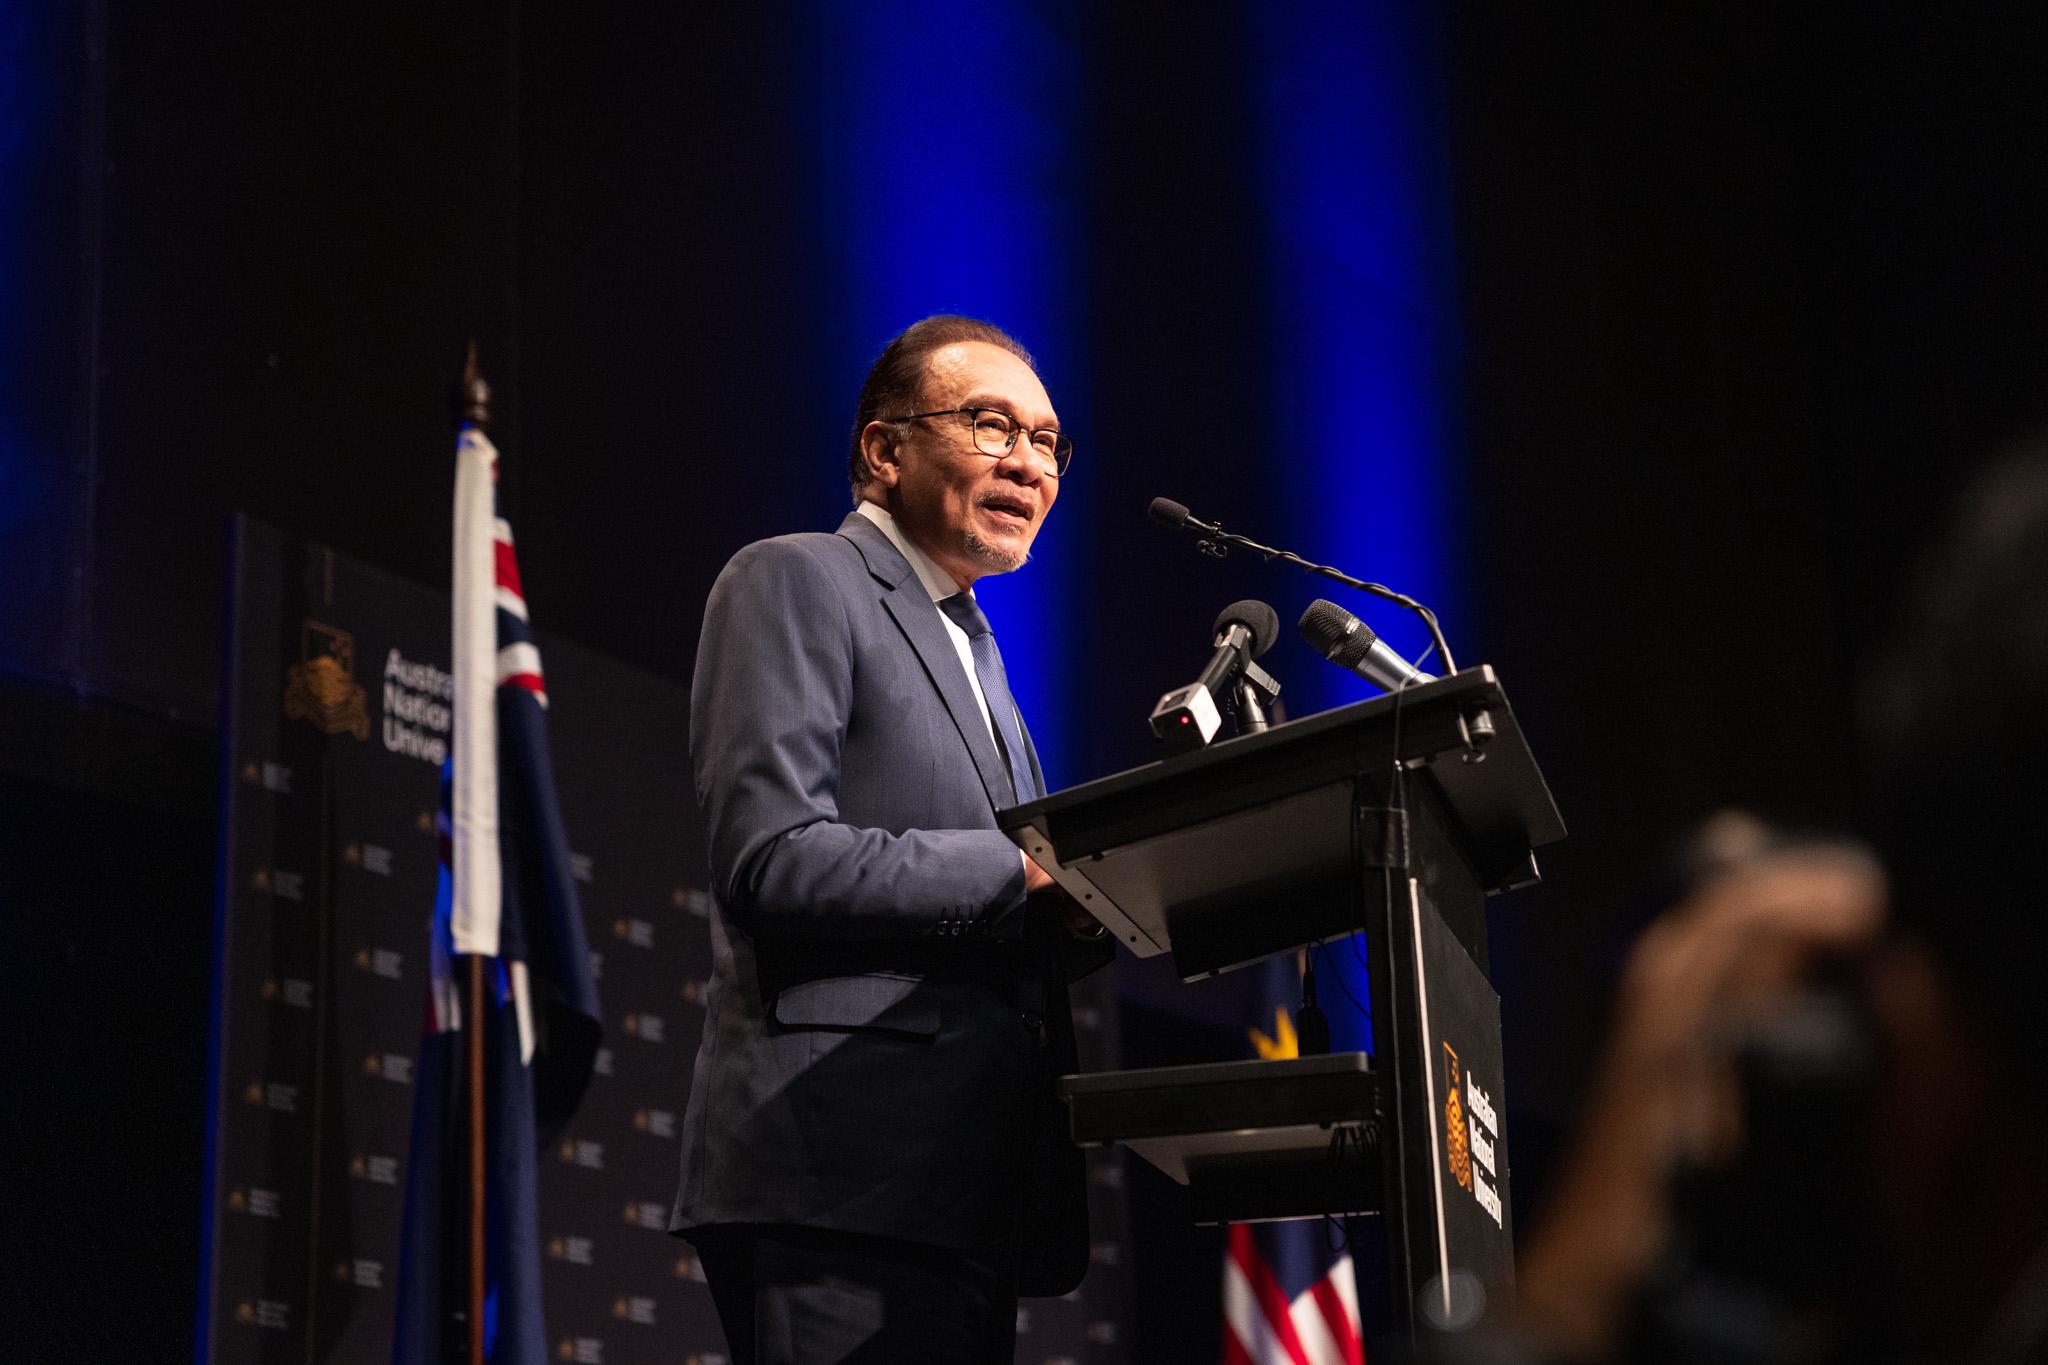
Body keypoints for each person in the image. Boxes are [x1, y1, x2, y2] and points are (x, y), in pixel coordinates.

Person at [668, 315, 1115, 1364]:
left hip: (971, 1188)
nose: (1027, 463)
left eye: (1047, 441)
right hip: (838, 1175)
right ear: (883, 451)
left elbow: (1020, 908)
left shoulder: (981, 652)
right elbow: (770, 857)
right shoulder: (796, 578)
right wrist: (1025, 872)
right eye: (989, 425)